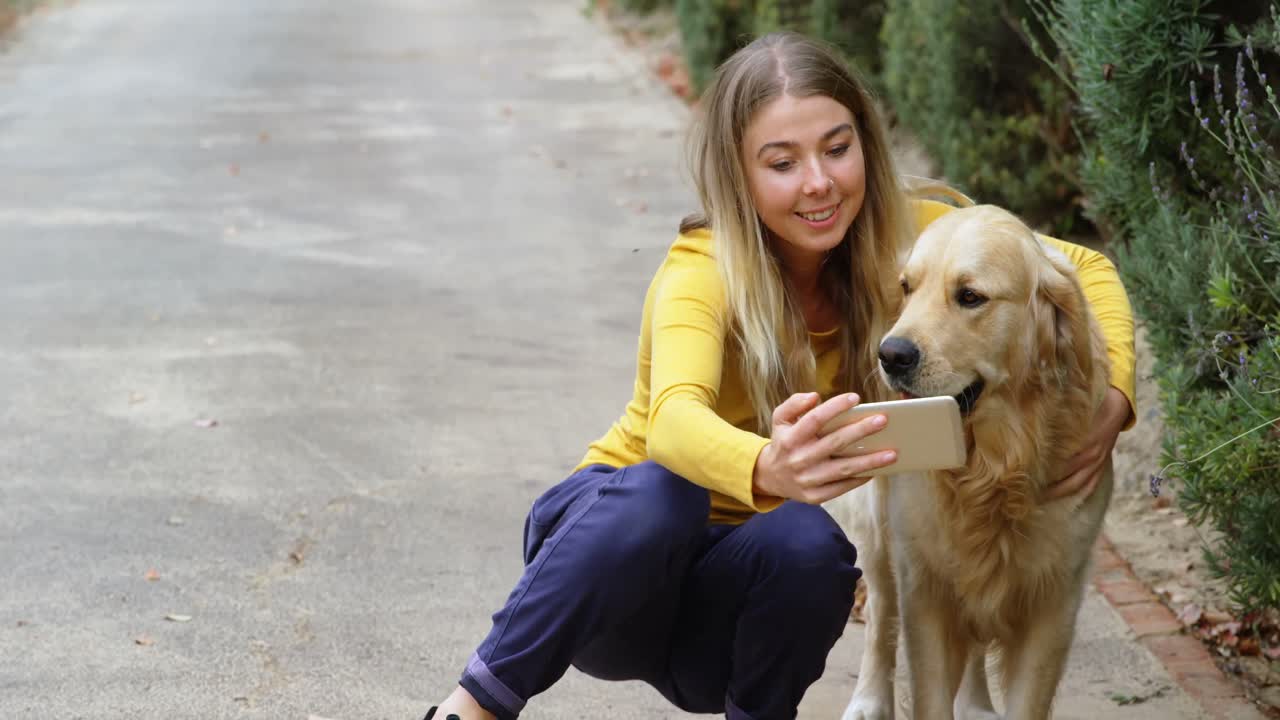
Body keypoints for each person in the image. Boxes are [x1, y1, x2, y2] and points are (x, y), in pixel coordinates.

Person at [423, 30, 1136, 720]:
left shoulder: (907, 236)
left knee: (811, 546)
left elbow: (1086, 269)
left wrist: (1114, 402)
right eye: (782, 161)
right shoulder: (702, 269)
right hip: (607, 579)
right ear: (740, 174)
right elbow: (672, 422)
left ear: (866, 144)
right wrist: (768, 465)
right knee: (663, 494)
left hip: (723, 613)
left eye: (837, 148)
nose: (819, 183)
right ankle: (473, 706)